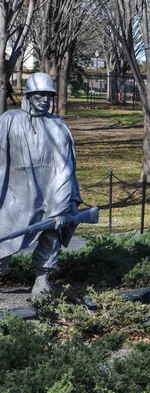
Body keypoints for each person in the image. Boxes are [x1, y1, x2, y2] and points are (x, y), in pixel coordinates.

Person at [0, 72, 81, 295]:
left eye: (48, 95)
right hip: (15, 193)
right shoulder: (10, 120)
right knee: (4, 234)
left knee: (51, 234)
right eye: (39, 95)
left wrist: (62, 205)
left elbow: (65, 168)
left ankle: (42, 279)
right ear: (28, 96)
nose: (44, 100)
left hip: (51, 193)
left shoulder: (58, 127)